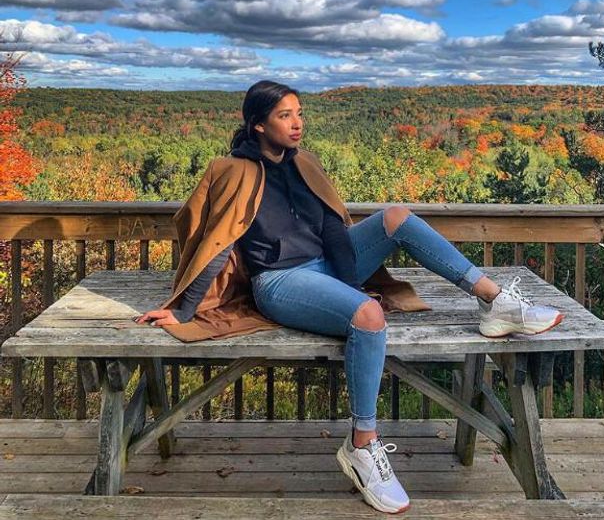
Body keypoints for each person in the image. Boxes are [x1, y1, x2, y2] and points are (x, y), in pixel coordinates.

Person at [133, 79, 564, 514]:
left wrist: (347, 279)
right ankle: (362, 443)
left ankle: (494, 301)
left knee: (396, 216)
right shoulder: (232, 171)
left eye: (300, 113)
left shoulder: (306, 163)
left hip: (326, 265)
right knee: (369, 315)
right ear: (258, 125)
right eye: (285, 115)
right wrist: (182, 310)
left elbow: (333, 226)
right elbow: (216, 241)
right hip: (281, 281)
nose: (297, 123)